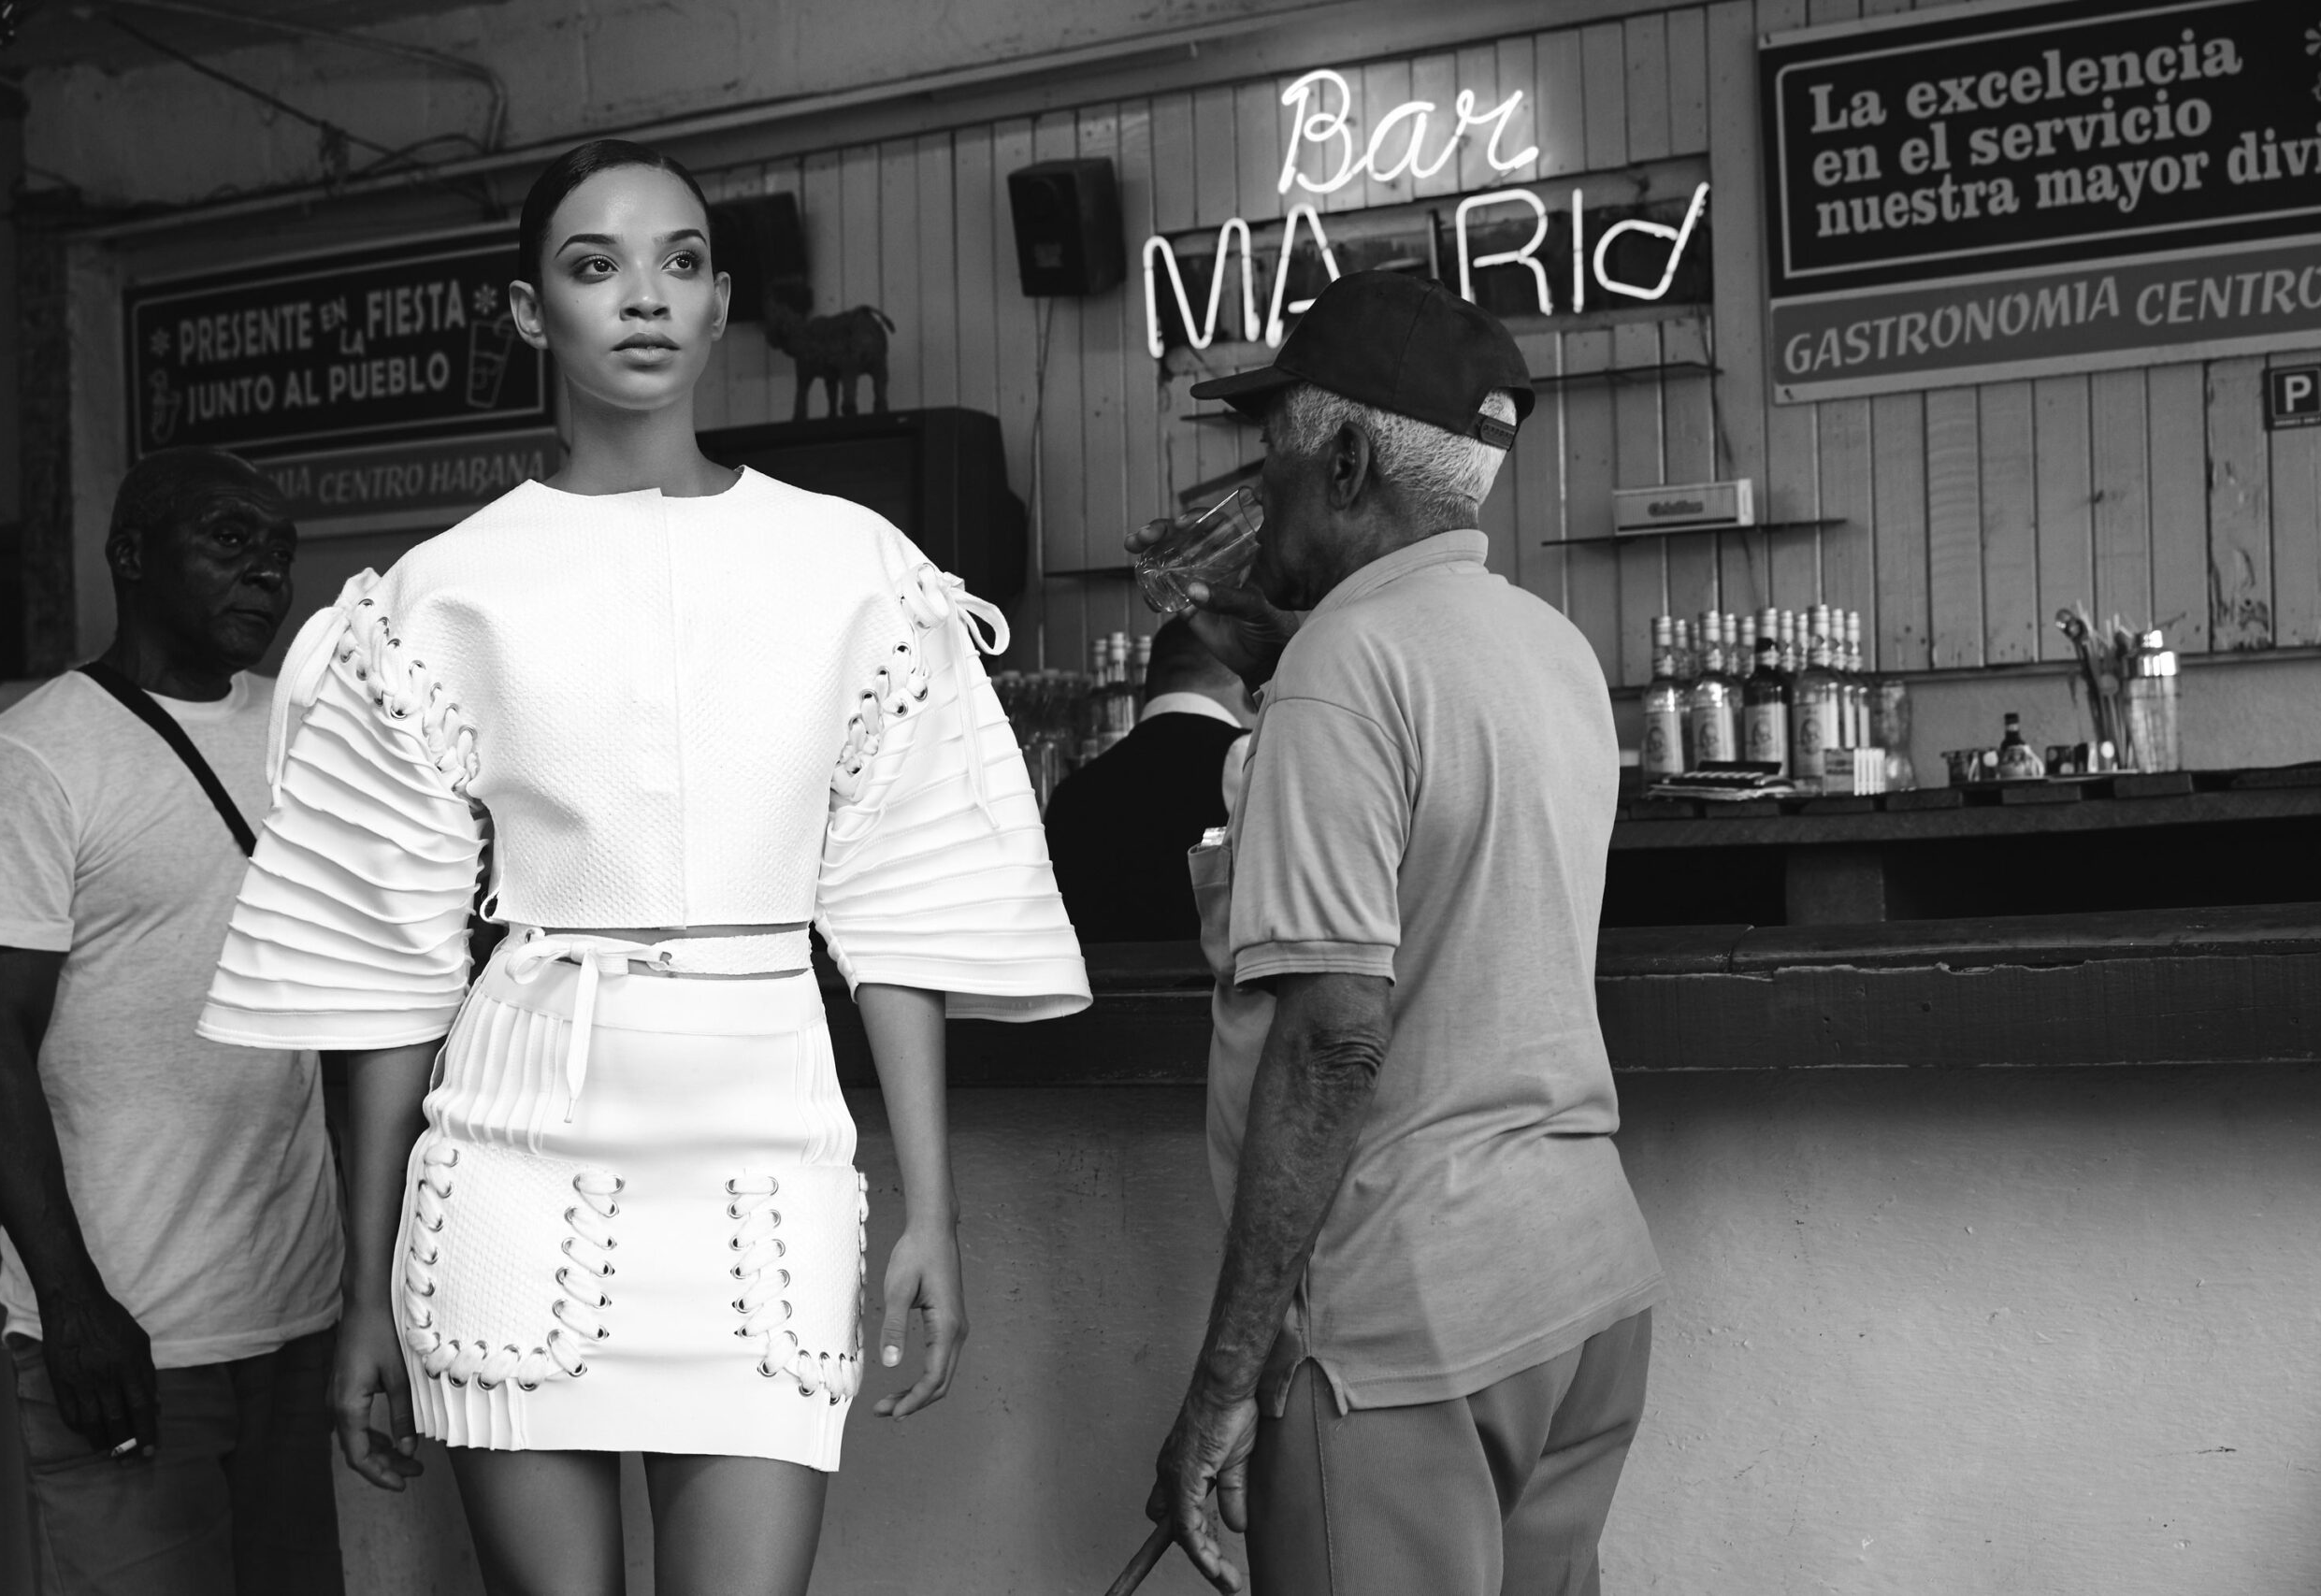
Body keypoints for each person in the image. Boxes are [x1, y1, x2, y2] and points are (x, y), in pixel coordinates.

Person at [193, 138, 1088, 1596]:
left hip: (767, 1155)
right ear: (530, 311)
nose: (644, 297)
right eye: (594, 265)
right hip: (510, 1148)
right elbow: (379, 973)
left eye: (679, 261)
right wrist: (363, 1289)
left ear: (724, 301)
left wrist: (932, 1207)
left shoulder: (853, 564)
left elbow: (900, 907)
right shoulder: (440, 589)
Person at [1139, 271, 1665, 1596]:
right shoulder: (1550, 647)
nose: (1260, 487)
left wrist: (1221, 1379)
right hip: (1579, 1292)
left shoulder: (1344, 665)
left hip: (1404, 1326)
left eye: (1274, 454)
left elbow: (1333, 1039)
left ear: (1351, 457)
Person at [0, 450, 344, 1595]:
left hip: (294, 1315)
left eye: (279, 554)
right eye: (228, 541)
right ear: (129, 555)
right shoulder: (30, 761)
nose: (264, 574)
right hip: (126, 1330)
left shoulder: (312, 732)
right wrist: (71, 1305)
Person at [1042, 617, 1254, 942]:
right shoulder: (1245, 757)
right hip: (1212, 988)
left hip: (1095, 990)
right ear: (1247, 688)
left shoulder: (1068, 795)